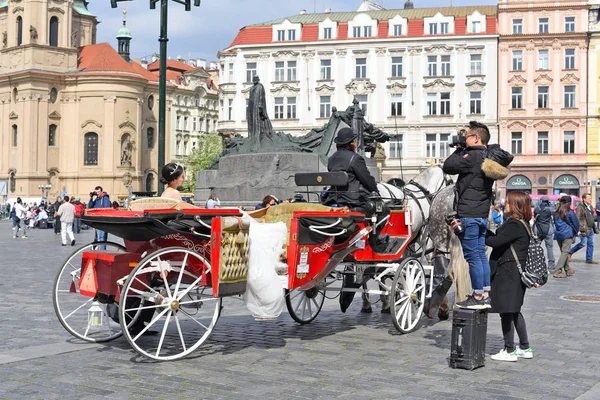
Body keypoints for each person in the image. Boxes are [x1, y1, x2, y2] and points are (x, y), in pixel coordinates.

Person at [442, 121, 511, 309]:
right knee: (480, 255)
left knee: (472, 257)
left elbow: (447, 166)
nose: (465, 139)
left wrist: (459, 148)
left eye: (467, 136)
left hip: (468, 215)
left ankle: (478, 296)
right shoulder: (489, 157)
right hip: (481, 215)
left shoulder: (472, 156)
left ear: (476, 138)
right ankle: (485, 292)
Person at [486, 191, 534, 362]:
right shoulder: (524, 223)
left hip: (509, 272)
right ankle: (525, 347)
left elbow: (494, 242)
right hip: (515, 272)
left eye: (507, 203)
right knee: (514, 311)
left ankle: (510, 350)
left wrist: (480, 230)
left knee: (506, 311)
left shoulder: (513, 225)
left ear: (515, 206)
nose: (503, 205)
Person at [569, 193, 599, 264]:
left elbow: (591, 216)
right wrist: (579, 228)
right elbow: (577, 218)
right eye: (589, 198)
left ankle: (589, 259)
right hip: (584, 228)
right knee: (583, 243)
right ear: (584, 199)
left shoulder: (590, 206)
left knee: (591, 244)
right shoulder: (580, 207)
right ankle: (570, 252)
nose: (590, 199)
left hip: (590, 228)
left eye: (590, 198)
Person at [554, 195, 579, 278]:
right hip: (567, 234)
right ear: (569, 203)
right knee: (565, 252)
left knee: (563, 252)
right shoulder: (570, 212)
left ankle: (567, 269)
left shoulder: (556, 212)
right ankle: (557, 271)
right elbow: (575, 223)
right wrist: (576, 232)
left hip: (558, 234)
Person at [533, 195, 555, 271]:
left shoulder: (537, 209)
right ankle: (551, 265)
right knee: (549, 248)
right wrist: (550, 204)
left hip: (538, 230)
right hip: (548, 231)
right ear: (548, 201)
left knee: (535, 247)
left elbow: (535, 216)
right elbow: (554, 211)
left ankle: (534, 263)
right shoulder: (550, 209)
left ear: (541, 201)